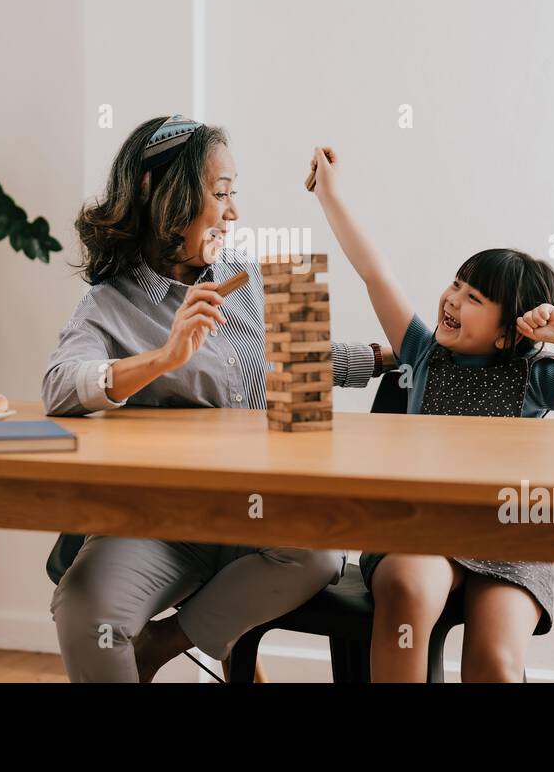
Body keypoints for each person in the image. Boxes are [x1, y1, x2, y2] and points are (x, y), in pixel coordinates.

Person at [41, 116, 383, 682]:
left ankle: (164, 643)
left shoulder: (251, 275)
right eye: (220, 194)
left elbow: (299, 360)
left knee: (315, 554)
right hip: (162, 522)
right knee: (83, 610)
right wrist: (164, 358)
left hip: (259, 513)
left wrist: (385, 356)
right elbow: (59, 385)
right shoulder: (108, 304)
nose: (233, 211)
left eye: (234, 194)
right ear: (159, 193)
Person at [308, 145, 554, 682]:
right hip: (422, 528)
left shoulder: (535, 375)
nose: (453, 299)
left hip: (507, 537)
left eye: (474, 298)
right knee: (405, 589)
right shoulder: (422, 349)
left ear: (511, 331)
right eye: (456, 285)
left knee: (495, 663)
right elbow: (374, 272)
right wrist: (331, 195)